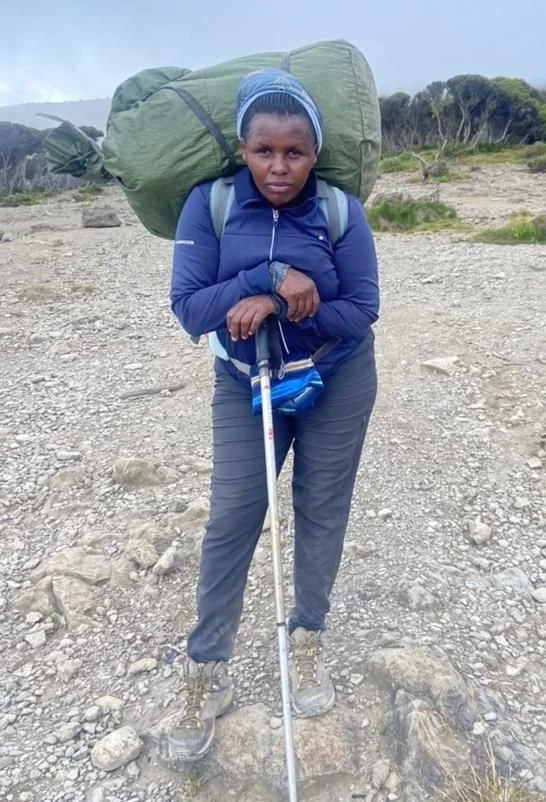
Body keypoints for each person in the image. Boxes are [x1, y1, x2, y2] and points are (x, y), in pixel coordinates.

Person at [167, 68, 379, 762]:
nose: (280, 167)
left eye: (296, 152)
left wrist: (283, 307)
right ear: (243, 149)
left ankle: (307, 637)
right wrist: (266, 278)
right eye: (264, 151)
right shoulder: (211, 204)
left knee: (321, 508)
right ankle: (207, 667)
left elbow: (362, 309)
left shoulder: (341, 211)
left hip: (335, 377)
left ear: (316, 153)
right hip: (244, 383)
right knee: (233, 516)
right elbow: (190, 309)